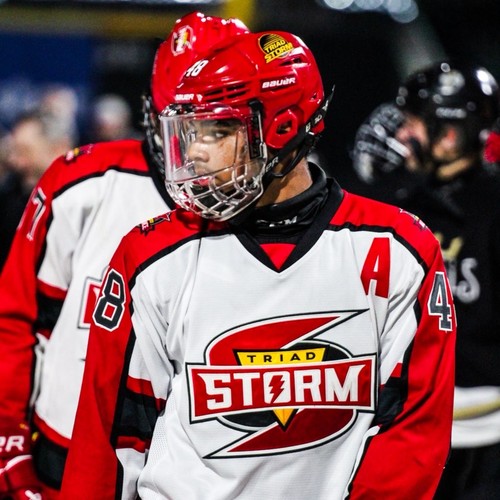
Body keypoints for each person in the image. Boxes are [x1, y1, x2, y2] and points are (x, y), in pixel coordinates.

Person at [61, 26, 456, 499]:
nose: (196, 151)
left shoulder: (399, 250)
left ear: (282, 128)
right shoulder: (150, 256)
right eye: (192, 131)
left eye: (218, 130)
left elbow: (411, 433)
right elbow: (108, 441)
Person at [0, 12, 250, 499]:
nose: (198, 145)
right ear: (155, 114)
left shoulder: (274, 209)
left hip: (196, 475)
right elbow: (16, 319)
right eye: (186, 122)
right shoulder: (82, 184)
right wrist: (9, 438)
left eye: (219, 125)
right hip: (64, 457)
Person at [351, 61, 500, 499]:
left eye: (413, 122)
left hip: (488, 433)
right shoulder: (397, 202)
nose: (401, 134)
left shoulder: (491, 209)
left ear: (449, 135)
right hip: (414, 423)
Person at [0, 110, 75, 271]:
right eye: (13, 151)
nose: (15, 161)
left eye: (25, 151)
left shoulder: (82, 201)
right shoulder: (9, 196)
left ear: (59, 148)